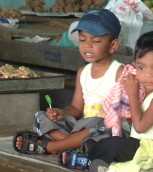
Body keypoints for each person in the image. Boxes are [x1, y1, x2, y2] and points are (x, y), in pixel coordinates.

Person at [60, 31, 153, 172]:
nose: (148, 74)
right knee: (109, 140)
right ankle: (93, 156)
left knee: (114, 145)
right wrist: (126, 108)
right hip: (140, 145)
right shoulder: (146, 91)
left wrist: (133, 94)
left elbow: (141, 127)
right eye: (141, 68)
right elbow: (134, 124)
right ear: (135, 67)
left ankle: (90, 161)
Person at [12, 8, 124, 155]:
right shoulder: (82, 72)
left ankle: (53, 146)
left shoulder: (120, 73)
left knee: (103, 124)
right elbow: (76, 110)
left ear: (113, 46)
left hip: (103, 131)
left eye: (96, 40)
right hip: (81, 129)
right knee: (41, 116)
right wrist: (61, 112)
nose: (87, 45)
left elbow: (124, 114)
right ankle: (74, 145)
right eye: (82, 39)